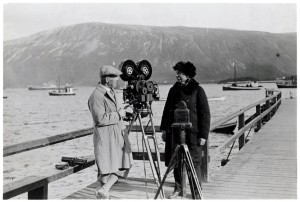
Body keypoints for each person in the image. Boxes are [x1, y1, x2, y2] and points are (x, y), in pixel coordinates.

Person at [160, 61, 211, 199]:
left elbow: (205, 114)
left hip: (193, 135)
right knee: (176, 161)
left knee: (194, 162)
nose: (177, 76)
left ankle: (196, 190)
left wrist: (204, 135)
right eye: (176, 73)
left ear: (188, 75)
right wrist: (164, 129)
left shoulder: (198, 90)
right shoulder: (173, 90)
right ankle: (178, 188)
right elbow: (167, 111)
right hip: (175, 133)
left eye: (180, 73)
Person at [88, 65, 132, 199]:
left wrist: (125, 112)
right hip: (105, 137)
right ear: (107, 79)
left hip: (118, 134)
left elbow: (115, 112)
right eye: (115, 77)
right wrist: (120, 114)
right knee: (105, 170)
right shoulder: (96, 96)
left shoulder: (112, 92)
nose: (118, 79)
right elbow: (100, 119)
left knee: (124, 164)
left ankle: (104, 190)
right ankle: (104, 192)